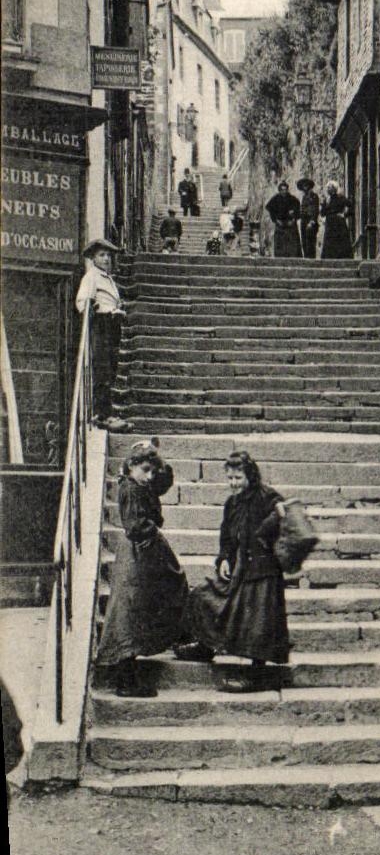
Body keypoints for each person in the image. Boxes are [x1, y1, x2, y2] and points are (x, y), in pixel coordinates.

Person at [177, 450, 289, 693]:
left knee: (256, 621)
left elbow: (284, 523)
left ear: (250, 475)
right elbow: (227, 535)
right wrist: (224, 558)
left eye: (238, 478)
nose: (233, 484)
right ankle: (206, 646)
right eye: (229, 478)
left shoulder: (268, 497)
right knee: (204, 596)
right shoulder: (232, 503)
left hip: (263, 569)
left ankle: (255, 675)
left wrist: (274, 519)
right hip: (239, 566)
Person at [95, 442, 189, 698]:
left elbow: (162, 484)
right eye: (145, 470)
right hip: (138, 551)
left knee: (168, 588)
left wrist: (160, 458)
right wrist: (152, 533)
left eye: (152, 471)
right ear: (131, 466)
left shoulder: (140, 484)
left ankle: (182, 637)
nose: (149, 476)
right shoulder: (130, 489)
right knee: (130, 609)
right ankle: (125, 680)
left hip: (145, 550)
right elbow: (134, 527)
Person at [75, 239, 129, 432]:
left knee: (111, 367)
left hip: (113, 324)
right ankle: (102, 414)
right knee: (102, 368)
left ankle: (107, 412)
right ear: (93, 258)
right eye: (102, 255)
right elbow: (82, 302)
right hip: (101, 324)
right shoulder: (92, 277)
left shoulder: (108, 278)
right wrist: (95, 309)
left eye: (108, 255)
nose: (106, 259)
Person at [265, 180, 302, 256]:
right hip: (280, 225)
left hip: (290, 225)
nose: (284, 192)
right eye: (282, 190)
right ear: (279, 190)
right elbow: (269, 208)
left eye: (285, 190)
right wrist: (276, 220)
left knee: (292, 246)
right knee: (280, 245)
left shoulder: (293, 199)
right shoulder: (275, 199)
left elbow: (298, 210)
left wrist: (294, 219)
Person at [318, 179, 352, 259]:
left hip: (339, 223)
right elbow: (323, 214)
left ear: (334, 188)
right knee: (329, 242)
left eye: (330, 187)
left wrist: (344, 215)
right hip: (329, 223)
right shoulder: (327, 200)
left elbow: (351, 206)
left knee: (340, 241)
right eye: (327, 188)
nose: (328, 189)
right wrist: (323, 205)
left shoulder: (341, 198)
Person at [297, 178, 320, 259]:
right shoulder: (303, 197)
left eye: (306, 185)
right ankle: (306, 258)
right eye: (304, 186)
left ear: (309, 186)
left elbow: (315, 209)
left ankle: (311, 259)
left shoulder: (314, 196)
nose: (305, 187)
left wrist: (312, 221)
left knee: (310, 241)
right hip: (304, 221)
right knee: (304, 241)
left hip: (311, 221)